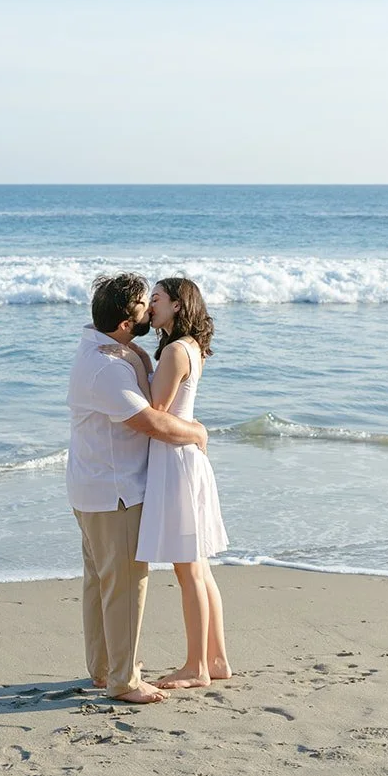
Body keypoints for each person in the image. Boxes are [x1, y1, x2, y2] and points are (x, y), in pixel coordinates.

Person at [66, 273, 208, 704]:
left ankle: (105, 667)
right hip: (115, 491)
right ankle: (124, 680)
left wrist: (139, 355)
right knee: (127, 583)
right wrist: (196, 432)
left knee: (102, 581)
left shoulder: (107, 349)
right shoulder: (106, 368)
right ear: (127, 321)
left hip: (93, 485)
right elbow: (151, 422)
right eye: (145, 305)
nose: (150, 309)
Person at [125, 277, 231, 689]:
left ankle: (196, 667)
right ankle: (216, 658)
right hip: (185, 458)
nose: (150, 307)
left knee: (188, 570)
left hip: (175, 459)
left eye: (156, 299)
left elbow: (156, 412)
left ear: (177, 305)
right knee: (199, 568)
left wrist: (129, 360)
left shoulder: (173, 351)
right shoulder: (188, 347)